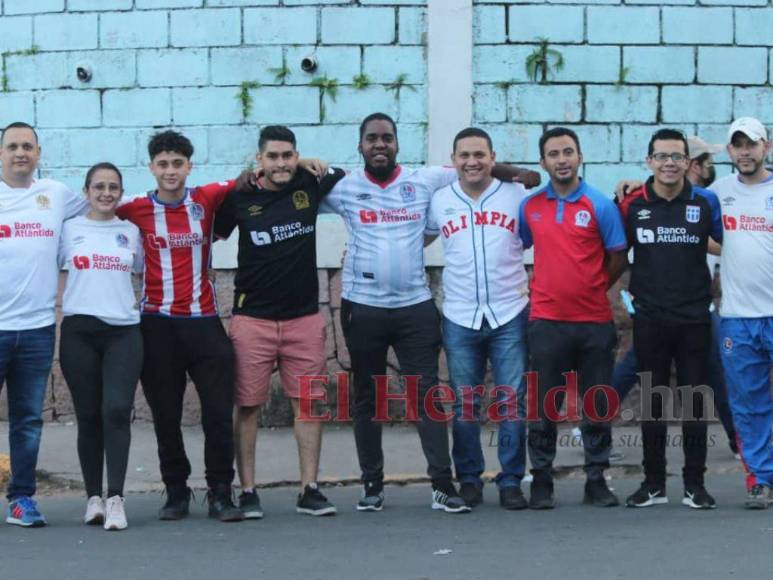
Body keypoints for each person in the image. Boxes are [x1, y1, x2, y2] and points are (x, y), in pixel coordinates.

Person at [322, 112, 539, 513]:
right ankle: (372, 484)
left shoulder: (426, 181)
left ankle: (445, 486)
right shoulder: (343, 187)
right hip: (363, 307)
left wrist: (523, 172)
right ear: (360, 146)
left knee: (432, 399)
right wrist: (299, 166)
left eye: (387, 137)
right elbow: (292, 190)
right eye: (372, 138)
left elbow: (477, 165)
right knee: (369, 399)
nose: (380, 144)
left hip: (416, 308)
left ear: (398, 143)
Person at [214, 126, 344, 518]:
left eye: (288, 155)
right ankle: (249, 490)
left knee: (309, 404)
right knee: (248, 405)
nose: (282, 163)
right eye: (273, 156)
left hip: (303, 318)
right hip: (252, 319)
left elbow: (341, 173)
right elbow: (216, 232)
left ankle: (310, 488)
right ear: (260, 160)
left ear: (296, 156)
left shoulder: (310, 182)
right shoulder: (239, 196)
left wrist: (307, 164)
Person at [116, 130, 243, 522]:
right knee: (166, 415)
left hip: (204, 323)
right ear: (152, 167)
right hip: (157, 327)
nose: (170, 171)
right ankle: (176, 491)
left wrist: (306, 164)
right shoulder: (134, 208)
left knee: (218, 413)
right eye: (163, 164)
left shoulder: (206, 199)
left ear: (189, 166)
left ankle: (221, 491)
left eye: (178, 163)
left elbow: (249, 178)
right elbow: (94, 210)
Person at [519, 127, 627, 509]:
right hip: (546, 321)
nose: (561, 159)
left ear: (580, 157)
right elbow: (518, 245)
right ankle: (543, 481)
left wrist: (595, 285)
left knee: (596, 405)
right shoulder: (530, 207)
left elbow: (618, 256)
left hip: (594, 322)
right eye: (553, 153)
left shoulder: (600, 205)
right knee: (545, 407)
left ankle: (596, 480)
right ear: (543, 162)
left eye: (568, 151)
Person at [611, 136, 738, 456]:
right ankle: (739, 441)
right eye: (707, 161)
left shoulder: (710, 198)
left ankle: (733, 444)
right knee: (647, 372)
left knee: (711, 375)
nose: (711, 167)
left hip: (694, 305)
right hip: (656, 307)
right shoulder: (642, 199)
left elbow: (724, 240)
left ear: (685, 163)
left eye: (675, 157)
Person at [425, 127, 529, 510]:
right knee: (465, 403)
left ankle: (511, 479)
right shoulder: (439, 200)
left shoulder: (516, 196)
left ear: (493, 157)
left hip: (509, 312)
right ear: (453, 160)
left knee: (512, 402)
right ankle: (468, 478)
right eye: (464, 155)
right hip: (460, 314)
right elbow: (418, 238)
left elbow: (540, 237)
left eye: (479, 154)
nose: (472, 162)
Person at [0, 122, 87, 527]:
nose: (21, 153)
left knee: (28, 420)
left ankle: (21, 499)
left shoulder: (55, 194)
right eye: (13, 146)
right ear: (1, 153)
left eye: (28, 146)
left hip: (36, 330)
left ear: (38, 153)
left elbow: (106, 203)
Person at [58, 163, 143, 531]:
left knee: (117, 409)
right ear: (86, 190)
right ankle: (93, 497)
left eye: (113, 187)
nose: (106, 193)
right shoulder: (68, 230)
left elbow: (141, 272)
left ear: (121, 192)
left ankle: (116, 498)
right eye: (99, 187)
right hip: (79, 332)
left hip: (123, 332)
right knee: (89, 415)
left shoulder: (132, 232)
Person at [711, 117, 773, 509]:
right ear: (730, 152)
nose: (745, 151)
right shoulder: (718, 194)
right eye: (738, 145)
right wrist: (628, 187)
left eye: (752, 144)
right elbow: (673, 195)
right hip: (737, 317)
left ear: (765, 146)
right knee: (749, 405)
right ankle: (761, 480)